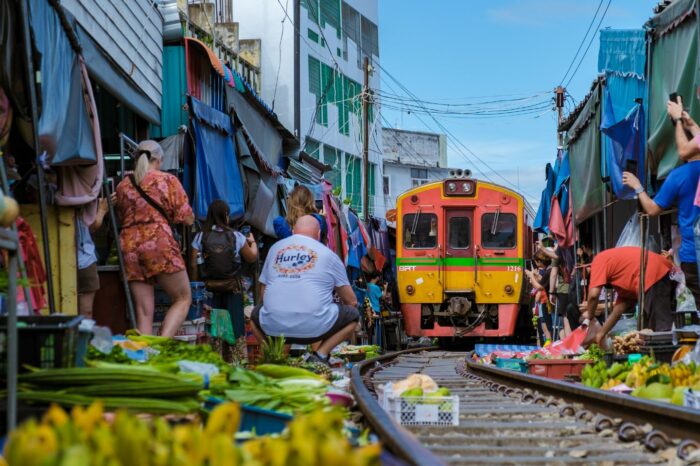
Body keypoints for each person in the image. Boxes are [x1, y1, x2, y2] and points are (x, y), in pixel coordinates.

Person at [622, 96, 700, 308]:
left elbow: (652, 209)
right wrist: (686, 122)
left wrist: (638, 186)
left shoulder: (678, 176)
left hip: (693, 255)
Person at [250, 215, 359, 365]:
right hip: (315, 330)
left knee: (254, 315)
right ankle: (321, 354)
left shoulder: (275, 249)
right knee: (353, 315)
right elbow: (351, 301)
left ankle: (273, 355)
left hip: (274, 328)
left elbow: (263, 293)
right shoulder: (329, 255)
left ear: (293, 230)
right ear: (319, 233)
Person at [113, 140, 195, 337]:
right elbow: (187, 218)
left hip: (129, 246)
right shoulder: (167, 180)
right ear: (159, 160)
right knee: (183, 298)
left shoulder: (123, 186)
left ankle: (145, 358)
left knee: (143, 311)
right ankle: (162, 343)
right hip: (158, 243)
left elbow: (120, 217)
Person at [191, 200, 258, 338]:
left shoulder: (200, 236)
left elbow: (193, 264)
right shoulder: (236, 236)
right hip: (232, 287)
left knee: (213, 324)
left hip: (208, 289)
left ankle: (215, 352)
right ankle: (235, 356)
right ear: (226, 215)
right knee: (234, 325)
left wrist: (195, 284)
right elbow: (251, 257)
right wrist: (253, 242)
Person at [582, 246, 674, 346]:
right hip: (660, 270)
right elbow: (618, 311)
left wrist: (589, 318)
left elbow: (593, 296)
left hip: (653, 272)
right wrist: (601, 333)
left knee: (662, 330)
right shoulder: (622, 278)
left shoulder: (598, 261)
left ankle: (668, 357)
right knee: (653, 331)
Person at [77, 198, 109, 319]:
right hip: (83, 256)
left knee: (86, 310)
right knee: (86, 311)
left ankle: (84, 337)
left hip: (85, 257)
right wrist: (101, 211)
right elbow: (93, 226)